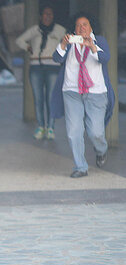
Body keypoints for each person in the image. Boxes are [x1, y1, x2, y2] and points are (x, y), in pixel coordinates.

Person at [50, 13, 115, 178]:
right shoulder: (71, 42)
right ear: (74, 29)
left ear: (91, 27)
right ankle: (80, 166)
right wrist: (63, 44)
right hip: (72, 92)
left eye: (85, 24)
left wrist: (92, 46)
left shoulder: (99, 41)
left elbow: (105, 58)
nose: (81, 28)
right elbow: (57, 58)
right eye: (78, 25)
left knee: (96, 132)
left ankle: (101, 150)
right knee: (74, 132)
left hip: (96, 93)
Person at [16, 6, 66, 140]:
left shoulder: (60, 30)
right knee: (38, 98)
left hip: (53, 66)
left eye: (50, 14)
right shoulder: (35, 30)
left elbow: (68, 44)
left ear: (53, 16)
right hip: (36, 67)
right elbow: (19, 40)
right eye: (45, 14)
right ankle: (40, 126)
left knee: (50, 98)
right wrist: (28, 47)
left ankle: (50, 127)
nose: (47, 16)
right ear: (41, 16)